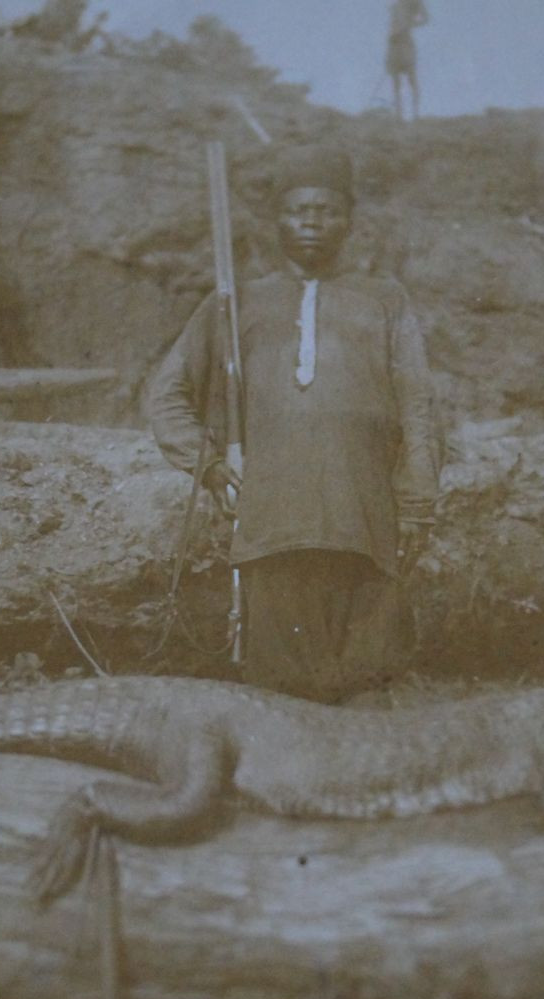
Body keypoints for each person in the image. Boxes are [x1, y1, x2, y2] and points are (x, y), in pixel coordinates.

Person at [147, 147, 440, 703]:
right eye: (298, 210)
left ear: (349, 221)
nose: (312, 222)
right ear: (277, 219)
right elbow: (168, 396)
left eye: (326, 210)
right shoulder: (236, 305)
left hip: (366, 523)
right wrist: (207, 466)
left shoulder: (385, 301)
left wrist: (419, 502)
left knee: (367, 688)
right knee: (281, 695)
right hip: (271, 526)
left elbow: (419, 406)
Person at [386, 0, 429, 121]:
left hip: (406, 42)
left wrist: (410, 24)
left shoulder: (415, 3)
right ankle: (398, 114)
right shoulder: (396, 5)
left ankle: (415, 113)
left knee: (411, 78)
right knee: (395, 81)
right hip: (393, 43)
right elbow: (392, 24)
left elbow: (426, 19)